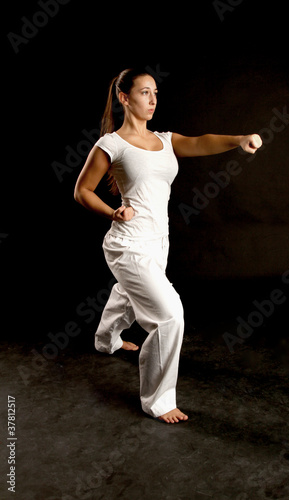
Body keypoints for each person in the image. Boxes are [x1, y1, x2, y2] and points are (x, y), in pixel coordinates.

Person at [74, 67, 262, 424]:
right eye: (145, 92)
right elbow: (81, 190)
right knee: (169, 316)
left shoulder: (165, 140)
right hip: (127, 244)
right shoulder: (111, 144)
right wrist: (114, 212)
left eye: (156, 93)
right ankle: (157, 401)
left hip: (159, 240)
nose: (153, 99)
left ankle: (106, 339)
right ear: (124, 98)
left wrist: (239, 139)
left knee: (130, 291)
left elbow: (201, 140)